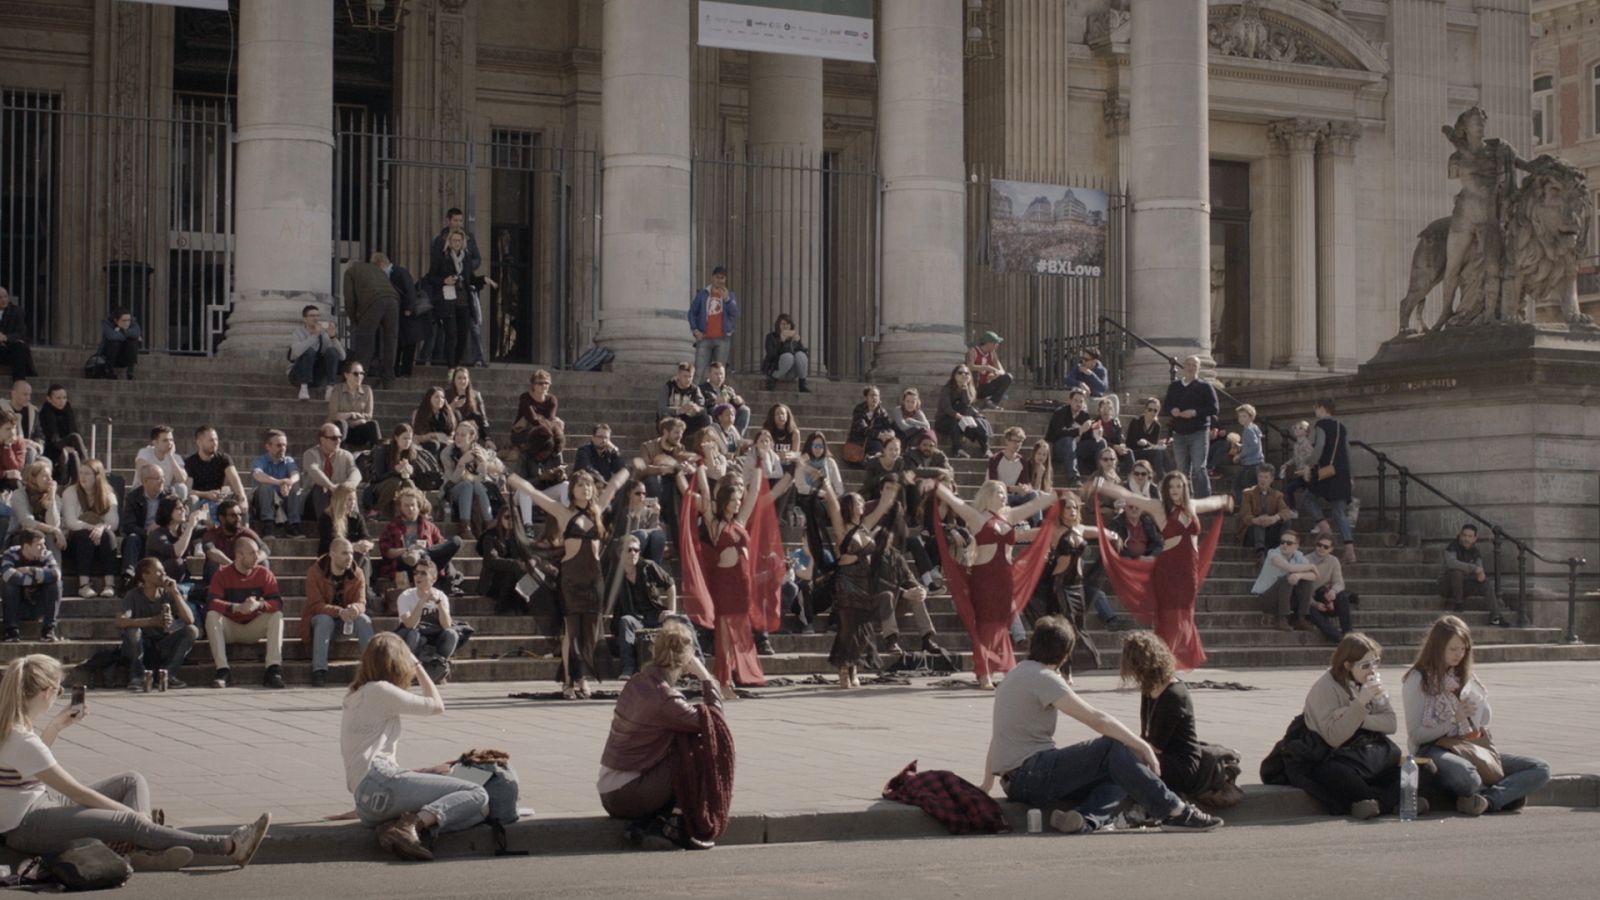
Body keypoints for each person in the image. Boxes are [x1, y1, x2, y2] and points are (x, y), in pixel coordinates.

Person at [0, 655, 273, 870]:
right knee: (130, 820)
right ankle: (228, 846)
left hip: (35, 805)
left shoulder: (12, 728)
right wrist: (132, 818)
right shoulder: (24, 740)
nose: (60, 694)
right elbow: (77, 792)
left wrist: (57, 726)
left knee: (131, 780)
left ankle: (144, 847)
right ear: (47, 692)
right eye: (59, 690)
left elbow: (29, 765)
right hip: (27, 826)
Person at [979, 616, 1223, 833]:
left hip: (1015, 782)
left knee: (1120, 769)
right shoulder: (1045, 678)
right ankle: (1174, 810)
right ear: (1065, 654)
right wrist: (1141, 746)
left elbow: (997, 735)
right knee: (1113, 747)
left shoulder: (1015, 674)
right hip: (1033, 773)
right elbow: (1097, 719)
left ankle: (1085, 819)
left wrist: (986, 785)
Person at [341, 633, 486, 862]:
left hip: (368, 799)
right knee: (476, 795)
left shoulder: (356, 693)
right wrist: (418, 664)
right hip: (380, 781)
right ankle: (410, 827)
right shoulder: (379, 690)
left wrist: (424, 773)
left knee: (472, 809)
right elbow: (436, 705)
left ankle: (397, 827)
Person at [598, 618, 728, 851]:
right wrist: (706, 677)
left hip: (609, 792)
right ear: (687, 658)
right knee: (698, 750)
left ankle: (653, 822)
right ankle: (676, 824)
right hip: (627, 795)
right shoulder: (666, 698)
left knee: (683, 741)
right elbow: (715, 724)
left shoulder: (638, 681)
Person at [1401, 616, 1551, 815]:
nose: (1459, 655)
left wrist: (1479, 700)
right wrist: (1454, 720)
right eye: (1453, 649)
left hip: (1469, 745)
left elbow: (1484, 720)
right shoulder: (1417, 678)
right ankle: (1503, 796)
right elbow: (1416, 736)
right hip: (1434, 748)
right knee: (1467, 777)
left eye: (1463, 649)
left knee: (1540, 768)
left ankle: (1487, 800)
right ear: (1437, 647)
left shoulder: (1463, 675)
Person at [509, 468, 629, 699]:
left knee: (590, 632)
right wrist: (505, 472)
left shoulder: (597, 510)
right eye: (580, 485)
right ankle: (568, 681)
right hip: (572, 578)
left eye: (588, 484)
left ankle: (582, 677)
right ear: (572, 490)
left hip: (594, 578)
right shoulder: (563, 513)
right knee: (571, 631)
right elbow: (533, 492)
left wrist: (632, 467)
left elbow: (614, 485)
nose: (586, 488)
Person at [1094, 473, 1233, 670]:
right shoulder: (1159, 507)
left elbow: (1211, 502)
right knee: (1171, 619)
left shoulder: (1192, 506)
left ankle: (1160, 663)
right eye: (1171, 487)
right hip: (1169, 569)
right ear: (1166, 490)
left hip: (1189, 570)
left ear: (1185, 488)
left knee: (1184, 617)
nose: (1175, 490)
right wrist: (1101, 484)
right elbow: (1130, 496)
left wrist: (1225, 500)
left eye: (1179, 486)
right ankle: (1162, 664)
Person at [930, 479, 1057, 689]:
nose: (1003, 495)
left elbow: (1034, 505)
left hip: (1004, 578)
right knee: (985, 624)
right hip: (984, 577)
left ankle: (1003, 668)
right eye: (998, 492)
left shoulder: (1009, 515)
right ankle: (983, 672)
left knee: (1000, 624)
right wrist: (935, 485)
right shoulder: (977, 517)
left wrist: (1058, 495)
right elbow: (953, 501)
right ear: (987, 494)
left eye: (1004, 492)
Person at [679, 463, 790, 695]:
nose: (737, 503)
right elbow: (707, 495)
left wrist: (758, 468)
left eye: (737, 500)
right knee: (724, 634)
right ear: (723, 502)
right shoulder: (715, 524)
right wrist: (700, 469)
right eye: (732, 501)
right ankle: (723, 681)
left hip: (742, 584)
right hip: (724, 583)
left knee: (740, 631)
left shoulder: (739, 522)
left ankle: (731, 678)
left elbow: (751, 499)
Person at [1296, 633, 1406, 819]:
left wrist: (1359, 718)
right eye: (1365, 665)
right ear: (1347, 665)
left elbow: (1390, 723)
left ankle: (1376, 804)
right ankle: (1391, 802)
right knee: (1339, 776)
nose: (1372, 670)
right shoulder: (1326, 687)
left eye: (1375, 662)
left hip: (1367, 753)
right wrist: (1360, 705)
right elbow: (1334, 737)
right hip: (1336, 755)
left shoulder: (1369, 682)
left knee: (1418, 770)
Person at [818, 478, 904, 688]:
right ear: (849, 506)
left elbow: (883, 506)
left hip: (866, 582)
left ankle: (853, 666)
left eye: (862, 502)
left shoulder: (864, 527)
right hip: (847, 582)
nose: (861, 505)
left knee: (863, 629)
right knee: (848, 628)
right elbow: (832, 504)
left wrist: (893, 487)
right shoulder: (842, 527)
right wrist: (826, 484)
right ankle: (843, 669)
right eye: (857, 502)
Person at [1036, 494, 1119, 680]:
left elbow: (1101, 531)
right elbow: (1028, 535)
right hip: (1059, 584)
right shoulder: (1054, 529)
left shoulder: (1080, 529)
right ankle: (1065, 670)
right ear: (1060, 510)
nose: (1072, 511)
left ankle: (1060, 667)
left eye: (1075, 507)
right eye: (1067, 507)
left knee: (1077, 627)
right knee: (1065, 626)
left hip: (1077, 585)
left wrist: (1114, 535)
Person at [204, 534, 285, 690]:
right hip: (230, 627)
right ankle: (223, 671)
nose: (257, 556)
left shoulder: (264, 573)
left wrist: (259, 605)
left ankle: (273, 670)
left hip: (253, 626)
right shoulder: (222, 573)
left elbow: (277, 602)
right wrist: (236, 607)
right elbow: (212, 602)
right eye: (253, 553)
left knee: (277, 615)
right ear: (239, 555)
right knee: (212, 616)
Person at [606, 533, 687, 680]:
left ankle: (692, 665)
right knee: (625, 621)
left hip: (654, 614)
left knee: (683, 621)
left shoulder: (648, 566)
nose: (633, 553)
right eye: (629, 550)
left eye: (636, 550)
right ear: (620, 553)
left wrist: (671, 610)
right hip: (633, 617)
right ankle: (628, 668)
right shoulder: (615, 575)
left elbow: (670, 584)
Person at [117, 558, 197, 691]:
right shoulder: (133, 595)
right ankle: (137, 676)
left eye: (164, 571)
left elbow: (189, 620)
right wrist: (151, 621)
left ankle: (167, 674)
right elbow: (120, 621)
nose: (164, 575)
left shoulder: (168, 594)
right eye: (159, 572)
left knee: (191, 630)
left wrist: (176, 592)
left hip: (161, 645)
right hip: (139, 646)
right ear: (145, 576)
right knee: (133, 631)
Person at [304, 537, 373, 687]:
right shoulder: (315, 572)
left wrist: (355, 608)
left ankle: (373, 671)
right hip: (320, 623)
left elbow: (362, 602)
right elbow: (315, 605)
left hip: (346, 622)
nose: (349, 557)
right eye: (344, 553)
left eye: (351, 553)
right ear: (332, 554)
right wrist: (339, 611)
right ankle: (319, 671)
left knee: (364, 619)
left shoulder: (357, 573)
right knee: (324, 619)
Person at [1299, 397, 1355, 565]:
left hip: (1326, 472)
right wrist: (1350, 475)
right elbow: (1347, 451)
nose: (1315, 411)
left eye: (1316, 408)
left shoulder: (1321, 425)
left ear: (1322, 408)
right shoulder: (1341, 427)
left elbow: (1319, 448)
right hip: (1342, 472)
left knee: (1308, 498)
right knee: (1339, 512)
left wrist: (1309, 464)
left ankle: (1325, 528)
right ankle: (1349, 551)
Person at [378, 488, 462, 589]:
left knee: (456, 540)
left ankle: (422, 553)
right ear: (400, 507)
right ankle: (421, 554)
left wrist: (423, 551)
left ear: (418, 506)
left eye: (413, 505)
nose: (410, 509)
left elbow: (440, 547)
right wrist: (409, 549)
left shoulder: (429, 526)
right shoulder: (392, 527)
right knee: (407, 559)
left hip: (429, 562)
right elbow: (386, 552)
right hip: (405, 564)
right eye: (406, 505)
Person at [60, 457, 120, 598]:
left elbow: (114, 523)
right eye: (81, 473)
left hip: (100, 542)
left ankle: (109, 584)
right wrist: (94, 527)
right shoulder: (70, 492)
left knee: (109, 535)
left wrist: (101, 528)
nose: (83, 477)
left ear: (97, 476)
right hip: (76, 542)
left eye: (87, 473)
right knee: (83, 534)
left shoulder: (109, 494)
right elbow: (70, 522)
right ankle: (83, 585)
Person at [393, 559, 463, 674]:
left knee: (452, 634)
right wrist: (422, 602)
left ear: (434, 579)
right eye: (416, 573)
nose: (418, 577)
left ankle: (438, 666)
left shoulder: (441, 596)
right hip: (414, 638)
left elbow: (447, 626)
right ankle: (409, 670)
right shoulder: (405, 596)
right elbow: (410, 625)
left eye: (423, 573)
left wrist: (439, 604)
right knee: (413, 634)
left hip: (434, 636)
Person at [1439, 523, 1514, 626]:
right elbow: (1452, 563)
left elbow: (1480, 569)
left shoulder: (1475, 552)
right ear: (1460, 535)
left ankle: (1496, 617)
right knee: (1457, 572)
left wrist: (1480, 575)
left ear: (1475, 538)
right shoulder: (1452, 547)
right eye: (1464, 535)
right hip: (1446, 586)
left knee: (1485, 583)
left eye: (1470, 536)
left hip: (1464, 586)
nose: (1466, 539)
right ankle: (1458, 604)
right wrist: (1473, 568)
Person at [343, 253, 400, 386]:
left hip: (373, 301)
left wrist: (353, 319)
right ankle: (389, 378)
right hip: (393, 300)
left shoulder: (350, 272)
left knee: (365, 340)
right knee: (390, 339)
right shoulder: (375, 269)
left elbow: (349, 298)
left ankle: (361, 377)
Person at [438, 420, 502, 538]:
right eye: (457, 434)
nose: (458, 438)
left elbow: (485, 480)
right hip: (452, 489)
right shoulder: (447, 453)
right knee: (467, 484)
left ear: (472, 436)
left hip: (477, 490)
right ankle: (465, 528)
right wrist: (461, 463)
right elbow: (452, 480)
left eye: (463, 435)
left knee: (475, 484)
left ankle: (489, 523)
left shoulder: (480, 451)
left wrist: (483, 464)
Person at [1, 529, 61, 643]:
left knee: (55, 584)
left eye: (44, 544)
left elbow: (56, 574)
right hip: (17, 605)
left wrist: (30, 570)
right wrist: (41, 577)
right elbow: (7, 575)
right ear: (27, 547)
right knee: (8, 584)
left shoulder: (46, 554)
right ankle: (11, 630)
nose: (43, 548)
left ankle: (48, 629)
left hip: (39, 605)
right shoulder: (11, 554)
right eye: (39, 545)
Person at [1251, 530, 1318, 631]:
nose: (1284, 545)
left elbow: (1314, 576)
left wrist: (1299, 575)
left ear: (1296, 545)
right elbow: (1289, 568)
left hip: (1285, 598)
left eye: (1289, 543)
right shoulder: (1273, 554)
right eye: (1282, 542)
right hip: (1267, 599)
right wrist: (1311, 566)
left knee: (1305, 580)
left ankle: (1301, 618)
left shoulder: (1298, 555)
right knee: (1288, 578)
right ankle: (1282, 619)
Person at [303, 424, 364, 523]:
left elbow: (355, 471)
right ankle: (326, 526)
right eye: (334, 438)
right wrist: (331, 486)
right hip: (313, 504)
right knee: (320, 487)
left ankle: (354, 523)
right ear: (322, 440)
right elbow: (314, 470)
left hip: (338, 499)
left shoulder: (346, 455)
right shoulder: (310, 454)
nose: (339, 441)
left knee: (350, 489)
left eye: (340, 437)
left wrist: (348, 485)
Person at [249, 429, 303, 538]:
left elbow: (296, 474)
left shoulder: (288, 460)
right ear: (268, 446)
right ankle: (268, 525)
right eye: (279, 445)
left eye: (284, 445)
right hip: (263, 503)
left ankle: (293, 525)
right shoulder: (260, 460)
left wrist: (289, 483)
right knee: (264, 487)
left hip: (283, 501)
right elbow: (257, 475)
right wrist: (279, 482)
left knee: (295, 486)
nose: (283, 448)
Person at [186, 426, 248, 519]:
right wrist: (206, 494)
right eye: (211, 440)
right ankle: (200, 529)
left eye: (216, 440)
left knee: (240, 504)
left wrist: (242, 498)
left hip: (219, 499)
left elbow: (235, 480)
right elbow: (187, 490)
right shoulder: (190, 462)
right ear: (199, 442)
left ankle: (243, 531)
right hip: (201, 501)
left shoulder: (223, 458)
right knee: (197, 503)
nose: (215, 443)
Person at [120, 467, 167, 585]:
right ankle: (128, 577)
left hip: (161, 536)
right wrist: (146, 532)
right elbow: (128, 525)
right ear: (145, 481)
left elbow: (175, 519)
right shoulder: (133, 497)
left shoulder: (169, 496)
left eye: (163, 477)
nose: (162, 481)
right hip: (141, 535)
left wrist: (159, 525)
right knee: (132, 538)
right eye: (158, 478)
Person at [364, 424, 423, 520]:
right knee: (395, 482)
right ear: (396, 437)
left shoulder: (411, 453)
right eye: (404, 438)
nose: (407, 442)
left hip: (402, 484)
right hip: (381, 486)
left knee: (409, 483)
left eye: (410, 439)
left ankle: (416, 512)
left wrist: (410, 472)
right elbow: (378, 476)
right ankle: (376, 509)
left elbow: (416, 478)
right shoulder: (383, 450)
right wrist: (395, 470)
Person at [1305, 534, 1356, 642]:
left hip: (1327, 597)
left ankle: (1348, 631)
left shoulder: (1334, 561)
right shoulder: (1306, 560)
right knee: (1311, 610)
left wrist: (1333, 592)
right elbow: (1302, 591)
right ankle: (1337, 637)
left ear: (1331, 549)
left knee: (1342, 596)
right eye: (1319, 545)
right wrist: (1315, 603)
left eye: (1326, 547)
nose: (1321, 548)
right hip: (1311, 600)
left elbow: (1339, 582)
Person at [288, 304, 345, 401]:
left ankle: (330, 388)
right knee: (309, 351)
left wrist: (333, 337)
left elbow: (342, 357)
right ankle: (304, 388)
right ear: (305, 319)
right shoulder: (298, 333)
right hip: (297, 375)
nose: (316, 318)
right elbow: (296, 353)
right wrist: (314, 335)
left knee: (332, 350)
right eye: (312, 316)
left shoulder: (324, 335)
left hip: (316, 376)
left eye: (318, 316)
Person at [511, 369, 564, 473]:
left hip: (544, 433)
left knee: (558, 429)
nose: (544, 386)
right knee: (550, 429)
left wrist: (553, 423)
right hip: (523, 432)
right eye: (540, 383)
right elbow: (533, 419)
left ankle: (559, 466)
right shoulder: (525, 398)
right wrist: (549, 422)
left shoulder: (551, 399)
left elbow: (550, 417)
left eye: (547, 383)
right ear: (533, 385)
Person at [689, 266, 739, 376]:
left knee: (719, 373)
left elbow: (735, 313)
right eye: (717, 277)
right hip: (704, 337)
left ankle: (716, 393)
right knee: (699, 371)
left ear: (725, 279)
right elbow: (692, 312)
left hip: (723, 339)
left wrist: (727, 299)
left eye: (722, 278)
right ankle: (697, 393)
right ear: (712, 278)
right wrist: (695, 329)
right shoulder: (703, 294)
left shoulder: (730, 295)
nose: (720, 280)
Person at [935, 365, 990, 459]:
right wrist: (960, 417)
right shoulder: (947, 389)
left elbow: (967, 404)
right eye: (960, 373)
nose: (964, 375)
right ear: (954, 375)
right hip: (944, 421)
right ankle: (958, 450)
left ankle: (986, 449)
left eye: (967, 373)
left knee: (980, 422)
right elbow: (946, 408)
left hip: (963, 421)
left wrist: (965, 389)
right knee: (954, 422)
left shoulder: (970, 389)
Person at [39, 384, 90, 487]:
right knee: (75, 437)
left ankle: (77, 486)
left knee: (74, 454)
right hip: (52, 448)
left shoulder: (68, 410)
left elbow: (73, 429)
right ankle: (89, 466)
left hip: (67, 446)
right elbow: (52, 437)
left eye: (64, 398)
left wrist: (70, 447)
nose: (62, 401)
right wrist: (64, 447)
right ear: (49, 399)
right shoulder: (45, 412)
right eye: (58, 398)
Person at [1237, 464, 1293, 556]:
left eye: (1266, 477)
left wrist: (1274, 518)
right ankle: (1260, 552)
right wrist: (1257, 520)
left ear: (1271, 479)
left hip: (1270, 533)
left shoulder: (1277, 495)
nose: (1262, 480)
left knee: (1286, 520)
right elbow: (1245, 514)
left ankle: (1284, 546)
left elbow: (1286, 511)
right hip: (1253, 534)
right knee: (1260, 521)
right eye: (1260, 477)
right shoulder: (1248, 494)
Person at [9, 460, 64, 553]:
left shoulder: (55, 497)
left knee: (51, 537)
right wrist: (54, 530)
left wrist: (52, 498)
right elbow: (26, 521)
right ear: (33, 478)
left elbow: (54, 523)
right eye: (44, 476)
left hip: (47, 535)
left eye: (50, 476)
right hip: (23, 534)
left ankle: (54, 567)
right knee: (34, 537)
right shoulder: (19, 494)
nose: (49, 479)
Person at [328, 360, 381, 452]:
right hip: (341, 430)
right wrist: (352, 415)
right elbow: (333, 414)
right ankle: (341, 455)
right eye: (356, 373)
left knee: (373, 424)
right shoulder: (337, 389)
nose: (359, 376)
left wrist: (357, 420)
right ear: (346, 375)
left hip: (359, 429)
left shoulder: (367, 390)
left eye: (362, 373)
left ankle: (378, 453)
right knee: (342, 424)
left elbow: (368, 415)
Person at [1045, 389, 1093, 483]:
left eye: (1081, 401)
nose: (1078, 404)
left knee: (1100, 443)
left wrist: (1095, 432)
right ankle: (1074, 478)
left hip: (1077, 447)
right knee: (1069, 440)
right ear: (1070, 401)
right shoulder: (1060, 412)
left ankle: (1103, 476)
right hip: (1059, 447)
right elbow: (1059, 433)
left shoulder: (1085, 416)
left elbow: (1087, 437)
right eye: (1075, 400)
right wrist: (1079, 430)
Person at [388, 253, 423, 378]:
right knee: (399, 343)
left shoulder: (399, 272)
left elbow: (409, 290)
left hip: (407, 314)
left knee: (407, 344)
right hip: (401, 314)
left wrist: (408, 308)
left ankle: (404, 371)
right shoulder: (395, 273)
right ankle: (397, 369)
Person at [133, 425, 189, 498]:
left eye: (171, 440)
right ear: (155, 443)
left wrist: (170, 456)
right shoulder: (144, 453)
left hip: (164, 492)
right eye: (165, 440)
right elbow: (142, 476)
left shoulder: (176, 457)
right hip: (144, 491)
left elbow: (182, 479)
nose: (170, 443)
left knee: (181, 488)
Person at [760, 313, 809, 392]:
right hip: (777, 370)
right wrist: (782, 342)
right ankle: (772, 381)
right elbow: (771, 355)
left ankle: (802, 383)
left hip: (791, 373)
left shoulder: (793, 337)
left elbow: (803, 356)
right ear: (778, 325)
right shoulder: (771, 337)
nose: (785, 326)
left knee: (801, 355)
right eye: (783, 324)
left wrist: (797, 344)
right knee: (788, 357)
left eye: (788, 324)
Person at [698, 362, 749, 435]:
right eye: (716, 374)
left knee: (745, 410)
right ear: (709, 375)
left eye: (721, 374)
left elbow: (736, 404)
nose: (719, 377)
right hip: (713, 412)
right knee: (714, 409)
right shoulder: (702, 388)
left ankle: (736, 435)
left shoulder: (728, 389)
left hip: (729, 413)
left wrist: (739, 401)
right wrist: (714, 401)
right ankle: (720, 434)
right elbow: (700, 404)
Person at [659, 362, 711, 434]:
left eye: (690, 377)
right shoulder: (668, 387)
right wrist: (680, 410)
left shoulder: (695, 389)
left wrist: (696, 409)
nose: (688, 379)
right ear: (678, 375)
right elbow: (661, 408)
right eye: (685, 376)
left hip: (688, 419)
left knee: (706, 419)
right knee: (666, 419)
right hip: (671, 416)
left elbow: (703, 408)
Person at [966, 331, 1012, 410]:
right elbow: (969, 366)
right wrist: (986, 367)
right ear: (989, 343)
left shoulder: (993, 354)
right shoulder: (973, 351)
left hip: (985, 385)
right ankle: (972, 401)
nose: (997, 346)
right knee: (974, 372)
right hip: (973, 386)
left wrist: (994, 374)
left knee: (1007, 377)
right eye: (995, 343)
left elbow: (1002, 371)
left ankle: (992, 402)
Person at [444, 367, 490, 445]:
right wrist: (452, 407)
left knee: (476, 415)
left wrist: (488, 438)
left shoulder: (475, 395)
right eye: (459, 378)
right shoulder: (446, 394)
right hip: (452, 429)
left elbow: (483, 418)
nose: (462, 381)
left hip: (470, 430)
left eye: (465, 378)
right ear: (454, 380)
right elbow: (441, 416)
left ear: (468, 380)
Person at [0, 286, 37, 382]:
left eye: (5, 296)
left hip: (9, 348)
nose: (3, 300)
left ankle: (19, 382)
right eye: (0, 297)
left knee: (19, 346)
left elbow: (21, 333)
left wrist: (6, 337)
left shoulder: (16, 311)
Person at [848, 385, 896, 460]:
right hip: (860, 440)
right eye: (872, 395)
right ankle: (877, 459)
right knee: (875, 442)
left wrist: (891, 433)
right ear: (866, 397)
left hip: (876, 440)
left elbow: (888, 425)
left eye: (876, 395)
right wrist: (879, 435)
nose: (874, 398)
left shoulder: (882, 411)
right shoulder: (859, 409)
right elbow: (862, 428)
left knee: (892, 440)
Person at [1126, 396, 1168, 479]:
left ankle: (1165, 475)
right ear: (1145, 410)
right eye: (1150, 409)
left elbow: (1153, 445)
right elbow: (1129, 442)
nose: (1152, 412)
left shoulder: (1157, 426)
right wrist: (1138, 443)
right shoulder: (1136, 421)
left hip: (1148, 452)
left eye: (1155, 410)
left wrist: (1157, 444)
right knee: (1159, 452)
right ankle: (1162, 477)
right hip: (1134, 452)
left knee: (1162, 450)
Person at [1231, 404, 1265, 506]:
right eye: (1239, 416)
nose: (1241, 419)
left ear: (1251, 417)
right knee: (1250, 486)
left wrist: (1240, 455)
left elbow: (1254, 447)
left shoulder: (1248, 430)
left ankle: (1245, 506)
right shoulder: (1253, 427)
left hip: (1251, 464)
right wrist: (1241, 445)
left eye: (1244, 416)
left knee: (1239, 485)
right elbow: (1252, 445)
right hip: (1256, 463)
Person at [411, 387, 458, 459]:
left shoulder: (448, 413)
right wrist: (434, 435)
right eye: (436, 397)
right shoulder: (419, 413)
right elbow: (417, 436)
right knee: (434, 444)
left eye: (442, 397)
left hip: (445, 443)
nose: (440, 400)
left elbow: (451, 433)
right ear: (429, 398)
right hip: (425, 444)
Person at [97, 308, 142, 380]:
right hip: (110, 356)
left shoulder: (132, 321)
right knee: (114, 342)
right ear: (116, 320)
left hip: (125, 356)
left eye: (128, 320)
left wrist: (122, 330)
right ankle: (109, 371)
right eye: (124, 321)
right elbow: (111, 336)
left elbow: (137, 332)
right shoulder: (107, 323)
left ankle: (130, 372)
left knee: (133, 342)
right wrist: (131, 335)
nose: (127, 323)